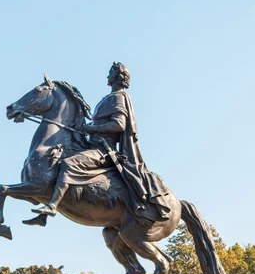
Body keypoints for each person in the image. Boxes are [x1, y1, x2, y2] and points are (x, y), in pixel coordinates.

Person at [32, 62, 170, 222]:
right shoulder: (108, 98)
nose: (107, 76)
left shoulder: (119, 97)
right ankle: (42, 216)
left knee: (69, 164)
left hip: (104, 150)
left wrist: (92, 128)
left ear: (117, 77)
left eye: (110, 73)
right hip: (94, 145)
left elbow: (119, 124)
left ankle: (52, 206)